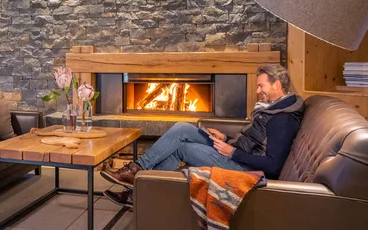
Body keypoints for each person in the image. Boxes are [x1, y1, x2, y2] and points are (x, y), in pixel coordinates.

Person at [103, 64, 305, 208]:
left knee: (182, 148)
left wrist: (232, 152)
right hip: (236, 151)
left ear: (277, 84)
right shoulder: (273, 108)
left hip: (244, 167)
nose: (258, 90)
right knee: (182, 128)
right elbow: (254, 139)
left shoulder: (283, 119)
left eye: (261, 85)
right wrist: (226, 139)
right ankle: (135, 171)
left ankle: (137, 190)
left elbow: (273, 165)